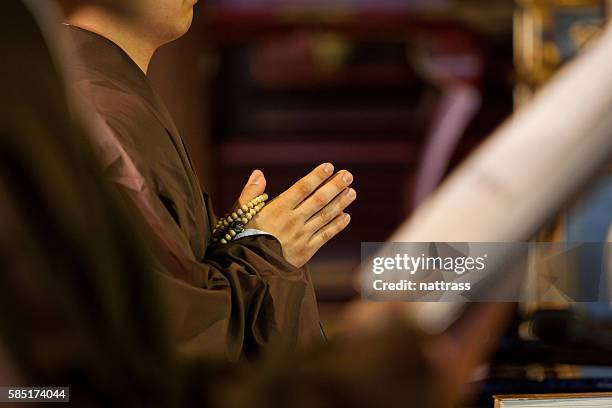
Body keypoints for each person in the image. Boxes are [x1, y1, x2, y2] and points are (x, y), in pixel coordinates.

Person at [55, 0, 358, 361]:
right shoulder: (104, 114)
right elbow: (169, 336)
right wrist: (263, 254)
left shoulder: (101, 91)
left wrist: (232, 240)